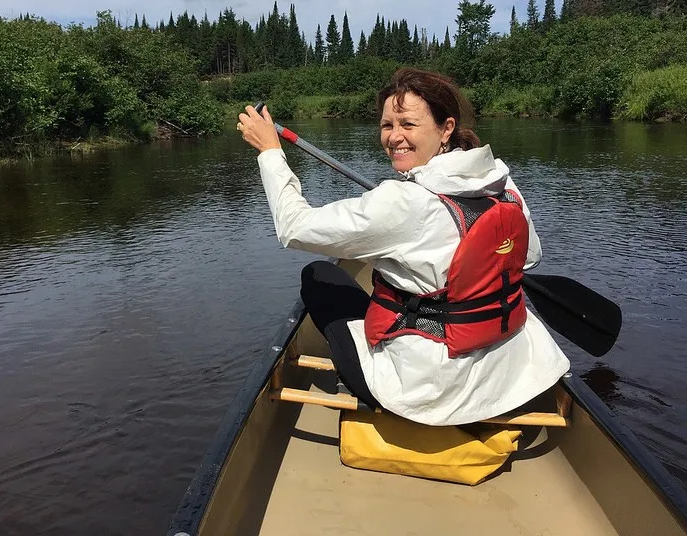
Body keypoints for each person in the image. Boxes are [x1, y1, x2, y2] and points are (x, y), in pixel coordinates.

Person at [237, 68, 569, 426]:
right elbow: (530, 256)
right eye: (386, 125)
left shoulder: (402, 202)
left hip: (431, 392)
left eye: (408, 124)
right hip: (507, 375)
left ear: (446, 128)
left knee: (319, 275)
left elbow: (294, 228)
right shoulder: (502, 184)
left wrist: (271, 152)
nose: (394, 137)